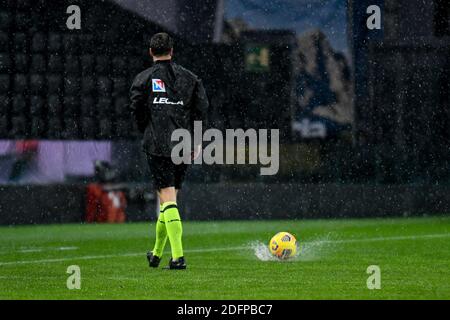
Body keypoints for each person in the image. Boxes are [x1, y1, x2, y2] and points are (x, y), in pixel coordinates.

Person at [129, 33, 209, 269]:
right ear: (171, 51)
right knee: (168, 199)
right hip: (182, 143)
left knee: (167, 197)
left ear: (151, 52)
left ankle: (178, 258)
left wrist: (149, 129)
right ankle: (155, 254)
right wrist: (195, 140)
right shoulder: (191, 78)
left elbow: (136, 110)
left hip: (159, 144)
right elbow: (201, 110)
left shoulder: (143, 79)